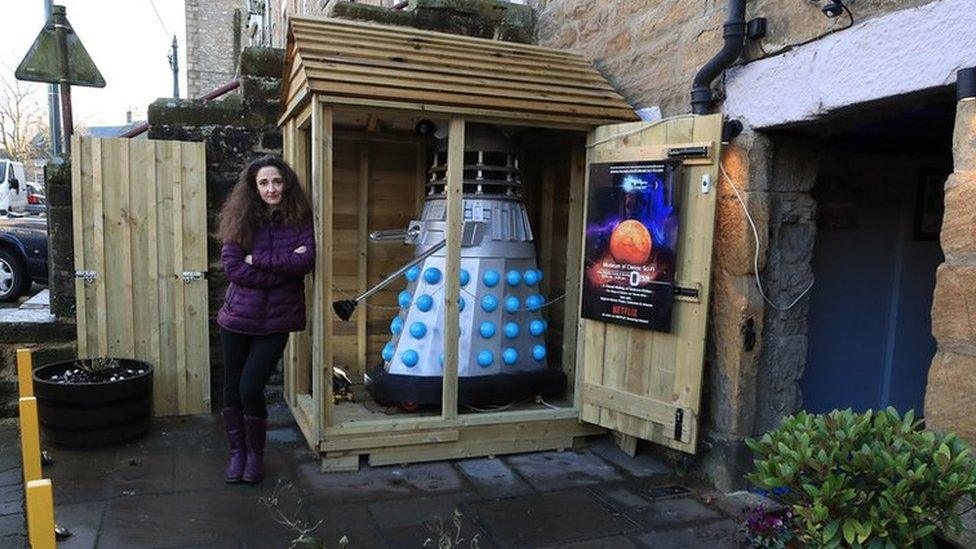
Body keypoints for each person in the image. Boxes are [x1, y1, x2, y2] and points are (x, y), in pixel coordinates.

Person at [216, 155, 314, 484]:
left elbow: (305, 261)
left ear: (285, 183)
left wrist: (256, 259)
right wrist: (281, 270)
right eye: (263, 183)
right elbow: (233, 268)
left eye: (276, 181)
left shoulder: (300, 219)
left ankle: (256, 455)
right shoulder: (240, 220)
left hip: (276, 321)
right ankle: (237, 454)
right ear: (254, 187)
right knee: (232, 388)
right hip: (237, 318)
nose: (271, 188)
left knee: (250, 387)